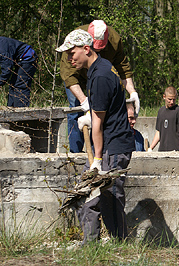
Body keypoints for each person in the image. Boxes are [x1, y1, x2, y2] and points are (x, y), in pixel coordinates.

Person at [56, 29, 135, 244]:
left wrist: (97, 161)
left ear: (86, 49)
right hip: (111, 144)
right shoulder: (100, 68)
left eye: (72, 53)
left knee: (106, 198)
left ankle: (112, 244)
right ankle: (95, 244)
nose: (69, 58)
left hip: (112, 147)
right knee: (94, 196)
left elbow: (98, 124)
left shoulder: (99, 76)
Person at [60, 20, 140, 153]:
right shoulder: (75, 41)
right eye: (94, 48)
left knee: (101, 112)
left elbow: (123, 68)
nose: (97, 50)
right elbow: (68, 76)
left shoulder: (114, 40)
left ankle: (98, 150)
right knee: (76, 112)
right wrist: (84, 100)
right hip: (77, 78)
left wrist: (132, 92)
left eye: (100, 48)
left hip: (100, 78)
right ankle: (76, 152)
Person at [148, 86, 179, 152]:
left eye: (174, 99)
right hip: (162, 150)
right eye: (169, 99)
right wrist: (150, 148)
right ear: (164, 97)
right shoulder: (161, 111)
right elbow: (159, 131)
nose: (172, 102)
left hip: (177, 150)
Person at [0, 37, 38, 107]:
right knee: (12, 85)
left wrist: (1, 81)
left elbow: (7, 68)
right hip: (20, 60)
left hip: (28, 58)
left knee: (20, 86)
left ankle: (21, 113)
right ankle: (10, 110)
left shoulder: (2, 49)